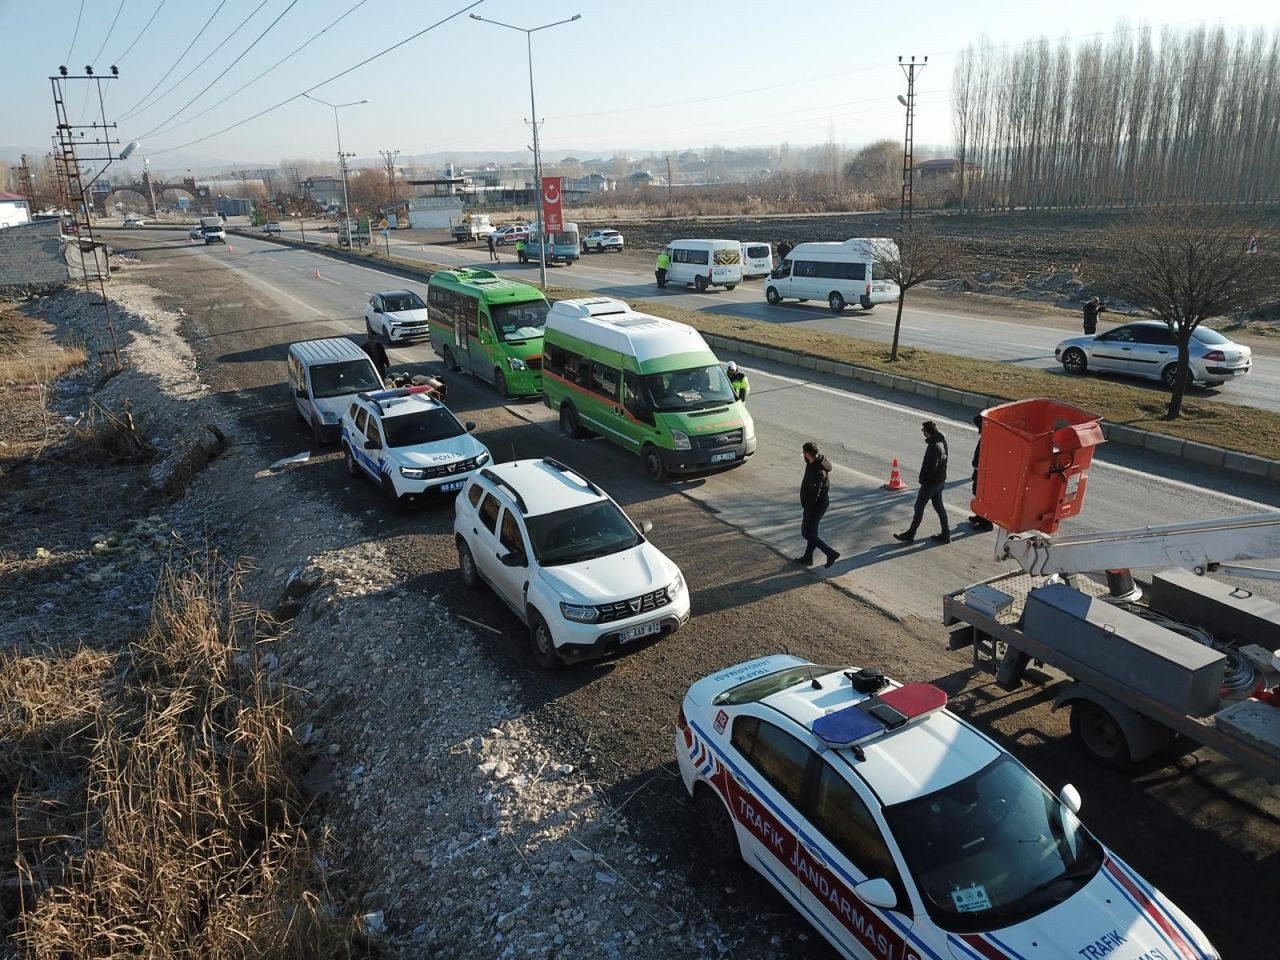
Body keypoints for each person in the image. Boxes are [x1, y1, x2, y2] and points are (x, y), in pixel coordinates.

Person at [894, 420, 951, 544]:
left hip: (931, 483)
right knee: (939, 507)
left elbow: (931, 467)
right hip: (940, 480)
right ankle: (946, 533)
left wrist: (923, 480)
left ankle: (911, 533)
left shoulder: (934, 447)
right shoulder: (942, 441)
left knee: (919, 506)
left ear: (926, 432)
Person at [797, 441, 840, 568]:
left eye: (804, 453)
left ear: (808, 454)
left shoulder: (818, 472)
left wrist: (808, 508)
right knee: (812, 532)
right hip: (816, 503)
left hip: (816, 505)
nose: (803, 455)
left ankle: (830, 553)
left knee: (807, 533)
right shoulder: (812, 463)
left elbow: (814, 494)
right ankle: (808, 557)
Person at [968, 414, 994, 531]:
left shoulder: (990, 438)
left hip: (983, 473)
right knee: (977, 493)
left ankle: (986, 522)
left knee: (983, 496)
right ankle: (980, 514)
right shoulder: (987, 435)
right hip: (979, 471)